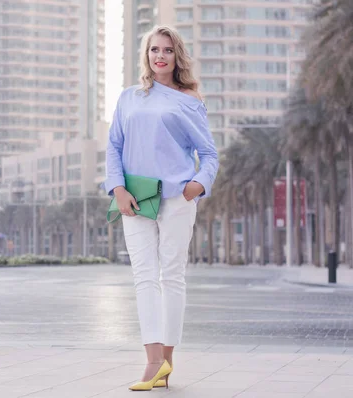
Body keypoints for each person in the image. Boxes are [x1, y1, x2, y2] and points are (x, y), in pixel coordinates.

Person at [105, 25, 219, 391]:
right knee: (143, 277)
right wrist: (117, 188)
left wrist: (198, 185)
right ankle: (152, 362)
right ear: (146, 55)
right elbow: (113, 147)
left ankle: (166, 362)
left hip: (176, 197)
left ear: (176, 55)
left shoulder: (190, 100)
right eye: (154, 49)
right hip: (135, 198)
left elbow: (210, 154)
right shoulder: (128, 98)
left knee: (171, 277)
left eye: (167, 50)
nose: (160, 56)